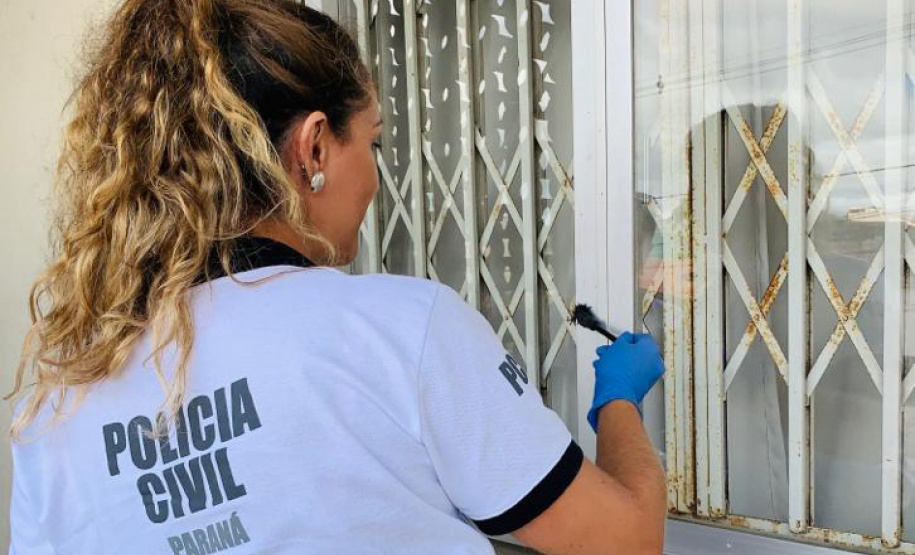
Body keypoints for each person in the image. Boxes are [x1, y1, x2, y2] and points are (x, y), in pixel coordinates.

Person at [6, 0, 667, 553]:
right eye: (372, 142)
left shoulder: (56, 404)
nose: (377, 177)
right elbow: (627, 538)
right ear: (314, 147)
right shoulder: (401, 330)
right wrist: (619, 402)